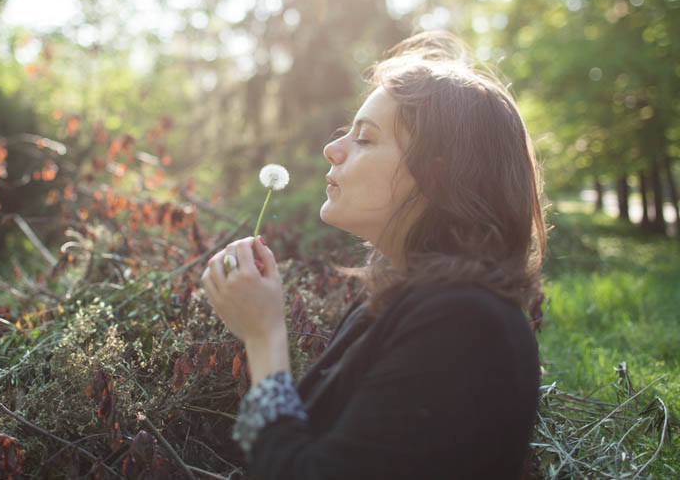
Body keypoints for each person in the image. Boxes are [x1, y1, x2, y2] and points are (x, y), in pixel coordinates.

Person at [200, 31, 545, 479]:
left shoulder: (465, 328)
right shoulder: (392, 304)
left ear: (435, 176)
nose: (333, 148)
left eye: (364, 139)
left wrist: (265, 337)